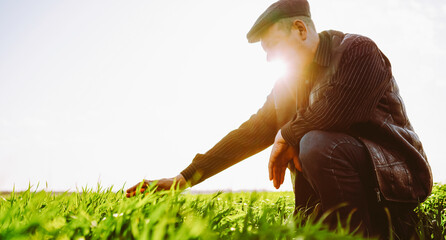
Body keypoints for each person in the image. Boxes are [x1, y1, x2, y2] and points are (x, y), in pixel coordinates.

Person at [126, 0, 433, 238]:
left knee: (314, 140)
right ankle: (327, 227)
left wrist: (287, 134)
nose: (270, 59)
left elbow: (339, 111)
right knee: (309, 139)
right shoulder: (287, 85)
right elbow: (250, 133)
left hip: (395, 182)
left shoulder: (357, 51)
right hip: (341, 191)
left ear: (300, 29)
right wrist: (185, 177)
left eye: (272, 47)